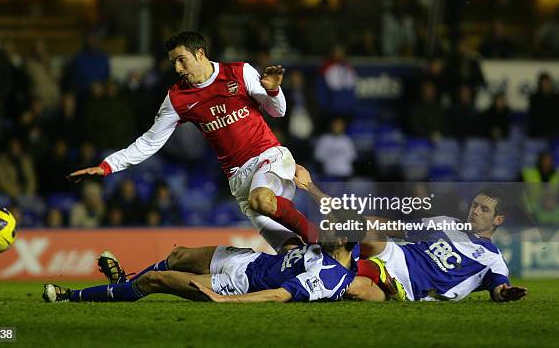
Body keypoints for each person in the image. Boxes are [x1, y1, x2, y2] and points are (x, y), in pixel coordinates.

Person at [68, 31, 317, 251]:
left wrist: (273, 91)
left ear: (200, 54)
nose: (177, 68)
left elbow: (278, 111)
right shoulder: (178, 98)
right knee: (288, 249)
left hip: (268, 156)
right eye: (173, 62)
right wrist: (108, 166)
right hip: (238, 179)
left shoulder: (239, 72)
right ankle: (341, 269)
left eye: (181, 59)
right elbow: (149, 142)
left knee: (261, 200)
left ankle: (322, 239)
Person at [293, 165, 528, 303]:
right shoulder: (446, 222)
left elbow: (499, 289)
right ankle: (309, 192)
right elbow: (396, 228)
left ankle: (299, 266)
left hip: (410, 288)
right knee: (362, 230)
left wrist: (506, 294)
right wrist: (358, 220)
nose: (475, 211)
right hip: (396, 255)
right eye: (475, 205)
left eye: (483, 209)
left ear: (498, 220)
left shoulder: (493, 260)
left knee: (355, 287)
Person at [43, 239, 360, 304]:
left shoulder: (329, 276)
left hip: (237, 283)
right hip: (248, 259)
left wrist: (227, 302)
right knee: (178, 254)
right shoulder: (335, 249)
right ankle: (123, 282)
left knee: (153, 280)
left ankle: (71, 296)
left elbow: (279, 295)